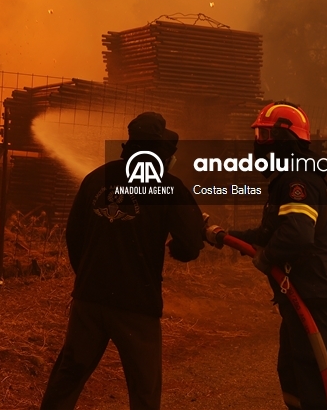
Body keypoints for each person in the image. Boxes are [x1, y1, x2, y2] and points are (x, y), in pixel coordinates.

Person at [39, 112, 205, 410]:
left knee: (69, 376)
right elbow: (190, 244)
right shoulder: (169, 186)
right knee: (144, 389)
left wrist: (89, 275)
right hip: (137, 306)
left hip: (89, 300)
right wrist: (176, 247)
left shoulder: (96, 178)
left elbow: (73, 235)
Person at [223, 101, 327, 410]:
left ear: (287, 140)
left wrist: (266, 259)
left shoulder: (298, 181)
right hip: (299, 295)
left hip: (311, 295)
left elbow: (297, 233)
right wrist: (225, 235)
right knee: (293, 374)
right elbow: (271, 235)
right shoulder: (293, 177)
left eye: (266, 136)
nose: (260, 144)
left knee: (315, 382)